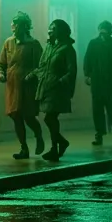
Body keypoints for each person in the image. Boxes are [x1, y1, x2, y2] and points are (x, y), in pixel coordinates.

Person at [0, 11, 45, 159]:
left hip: (28, 86)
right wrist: (0, 74)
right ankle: (24, 148)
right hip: (13, 86)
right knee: (15, 115)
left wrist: (33, 74)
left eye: (16, 24)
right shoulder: (8, 42)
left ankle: (38, 136)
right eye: (12, 23)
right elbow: (1, 63)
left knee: (29, 116)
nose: (13, 26)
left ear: (24, 26)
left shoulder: (34, 44)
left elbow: (42, 65)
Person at [31, 19, 78, 161]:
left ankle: (55, 147)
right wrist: (32, 75)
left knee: (50, 117)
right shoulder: (49, 47)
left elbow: (71, 71)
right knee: (49, 118)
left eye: (54, 28)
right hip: (46, 87)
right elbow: (42, 66)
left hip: (58, 90)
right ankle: (61, 143)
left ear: (61, 31)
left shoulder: (68, 49)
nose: (50, 30)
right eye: (50, 27)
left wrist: (60, 82)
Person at [83, 20, 112, 146]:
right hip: (98, 82)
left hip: (111, 83)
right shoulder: (93, 44)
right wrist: (87, 74)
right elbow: (88, 60)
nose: (104, 31)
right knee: (97, 110)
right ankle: (99, 134)